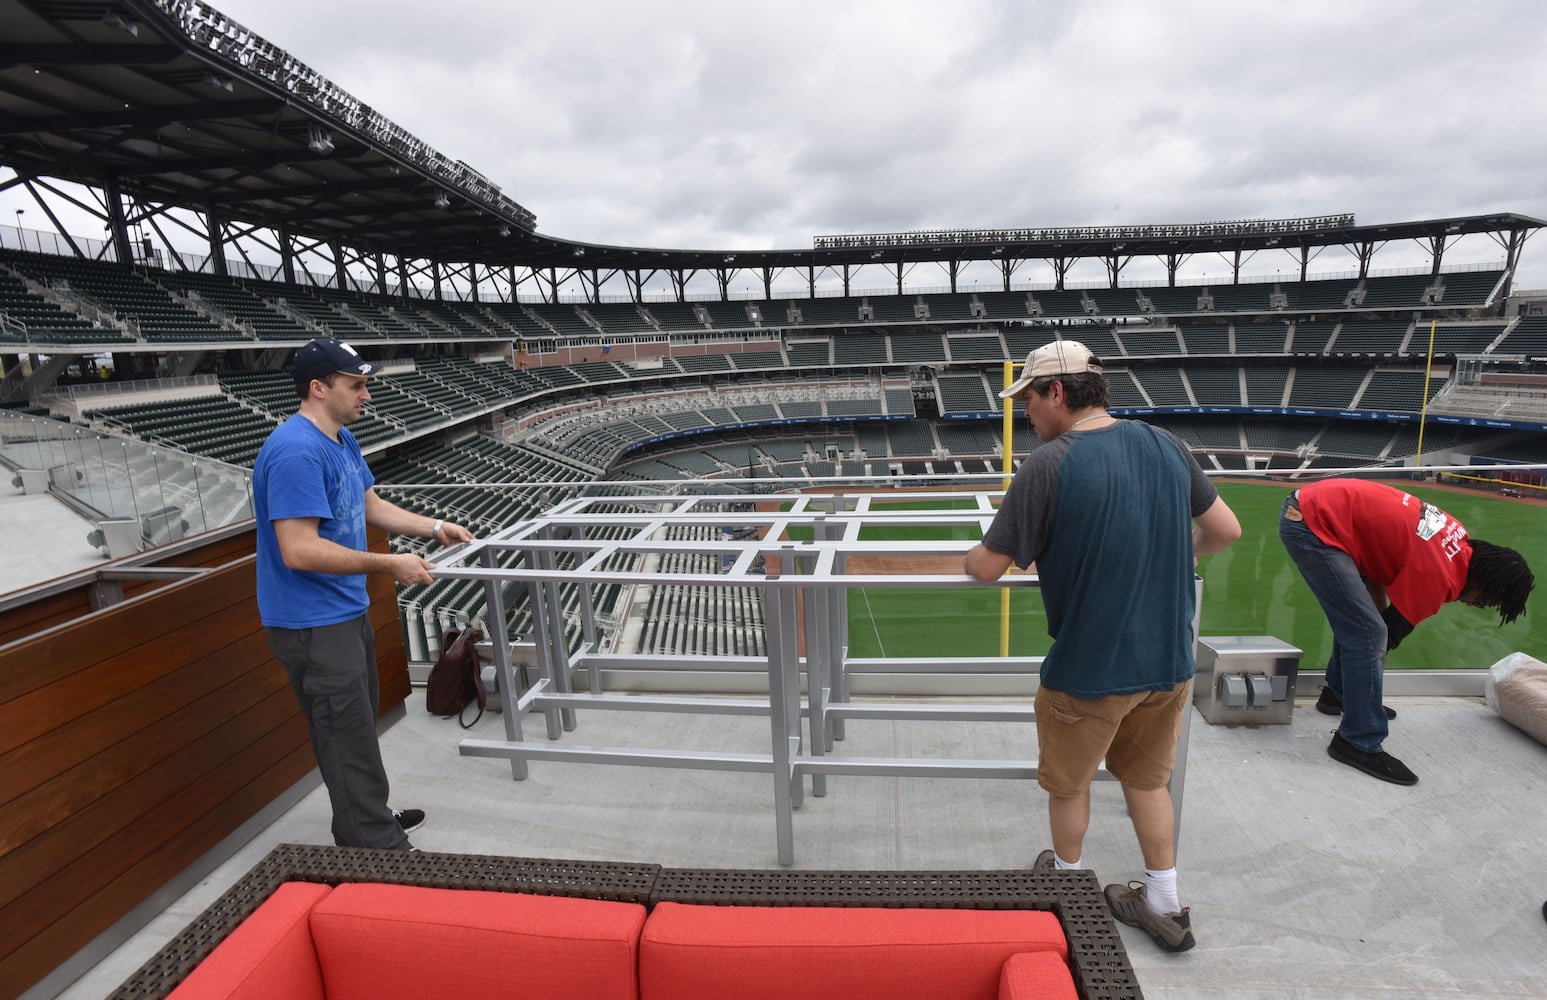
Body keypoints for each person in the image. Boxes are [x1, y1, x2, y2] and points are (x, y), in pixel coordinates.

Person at [964, 340, 1241, 953]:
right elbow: (1225, 530)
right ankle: (1165, 904)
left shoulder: (1047, 464)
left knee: (1069, 785)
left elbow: (987, 568)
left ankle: (1065, 888)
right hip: (1168, 662)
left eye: (1029, 400)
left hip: (1090, 668)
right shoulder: (1165, 443)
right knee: (1147, 783)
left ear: (1056, 393)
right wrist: (1166, 554)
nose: (1026, 415)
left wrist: (968, 553)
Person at [253, 338, 474, 851]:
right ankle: (373, 843)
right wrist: (389, 563)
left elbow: (370, 505)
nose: (366, 396)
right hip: (311, 620)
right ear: (318, 388)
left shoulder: (340, 441)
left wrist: (434, 526)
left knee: (356, 724)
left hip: (342, 610)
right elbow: (299, 549)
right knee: (343, 731)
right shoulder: (294, 451)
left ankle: (369, 816)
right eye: (355, 385)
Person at [1278, 478, 1533, 786]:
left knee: (1362, 625)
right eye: (1486, 601)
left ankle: (1338, 695)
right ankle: (1358, 740)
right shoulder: (1438, 577)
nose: (1476, 605)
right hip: (1313, 524)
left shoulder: (1457, 541)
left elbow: (1380, 567)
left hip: (1321, 513)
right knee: (1368, 633)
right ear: (1485, 585)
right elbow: (1386, 636)